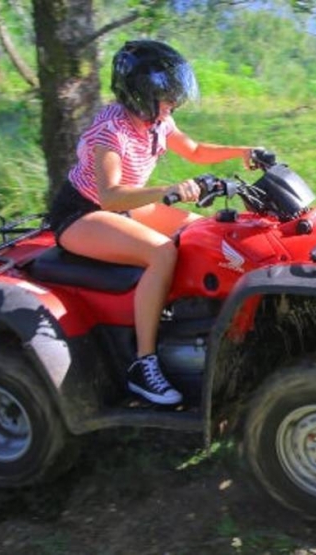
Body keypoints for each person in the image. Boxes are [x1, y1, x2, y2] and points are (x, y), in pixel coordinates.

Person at [47, 39, 259, 406]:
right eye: (166, 97)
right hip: (84, 212)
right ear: (140, 94)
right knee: (161, 252)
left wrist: (243, 152)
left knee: (202, 233)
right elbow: (111, 195)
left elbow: (194, 150)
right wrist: (168, 190)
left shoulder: (157, 121)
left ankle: (195, 326)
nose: (172, 104)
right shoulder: (110, 130)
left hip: (126, 203)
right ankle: (144, 367)